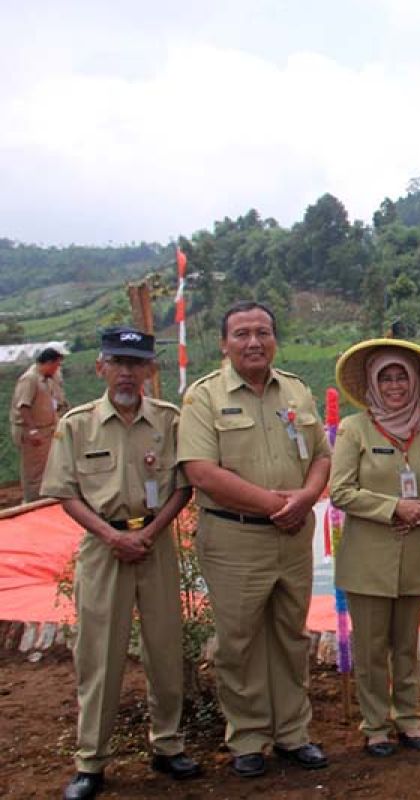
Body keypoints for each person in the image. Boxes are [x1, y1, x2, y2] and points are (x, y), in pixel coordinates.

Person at [177, 301, 332, 777]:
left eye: (262, 332)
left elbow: (322, 456)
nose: (253, 342)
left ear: (274, 338)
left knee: (290, 634)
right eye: (241, 334)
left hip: (292, 535)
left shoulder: (297, 391)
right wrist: (274, 505)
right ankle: (247, 737)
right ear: (224, 343)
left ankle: (292, 732)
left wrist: (306, 497)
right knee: (239, 639)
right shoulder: (203, 398)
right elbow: (200, 471)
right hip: (235, 537)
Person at [41, 328, 197, 800]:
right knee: (98, 654)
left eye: (136, 363)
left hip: (156, 542)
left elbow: (182, 487)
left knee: (165, 647)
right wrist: (111, 534)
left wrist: (149, 533)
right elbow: (65, 492)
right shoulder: (78, 424)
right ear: (100, 367)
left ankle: (167, 745)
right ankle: (91, 761)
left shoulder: (170, 421)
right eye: (118, 362)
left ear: (150, 370)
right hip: (103, 545)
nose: (127, 372)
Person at [329, 338, 420, 757]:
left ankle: (409, 720)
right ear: (371, 382)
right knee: (370, 649)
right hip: (367, 559)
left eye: (402, 375)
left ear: (416, 380)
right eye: (385, 377)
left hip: (417, 556)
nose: (394, 385)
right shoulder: (354, 429)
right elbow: (341, 492)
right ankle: (376, 726)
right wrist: (394, 508)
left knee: (406, 646)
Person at [10, 346, 68, 501]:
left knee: (47, 467)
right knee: (34, 472)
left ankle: (45, 497)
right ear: (48, 363)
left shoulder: (47, 379)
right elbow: (23, 406)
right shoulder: (30, 379)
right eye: (56, 365)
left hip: (47, 428)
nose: (57, 369)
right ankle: (33, 501)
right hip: (33, 431)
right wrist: (32, 430)